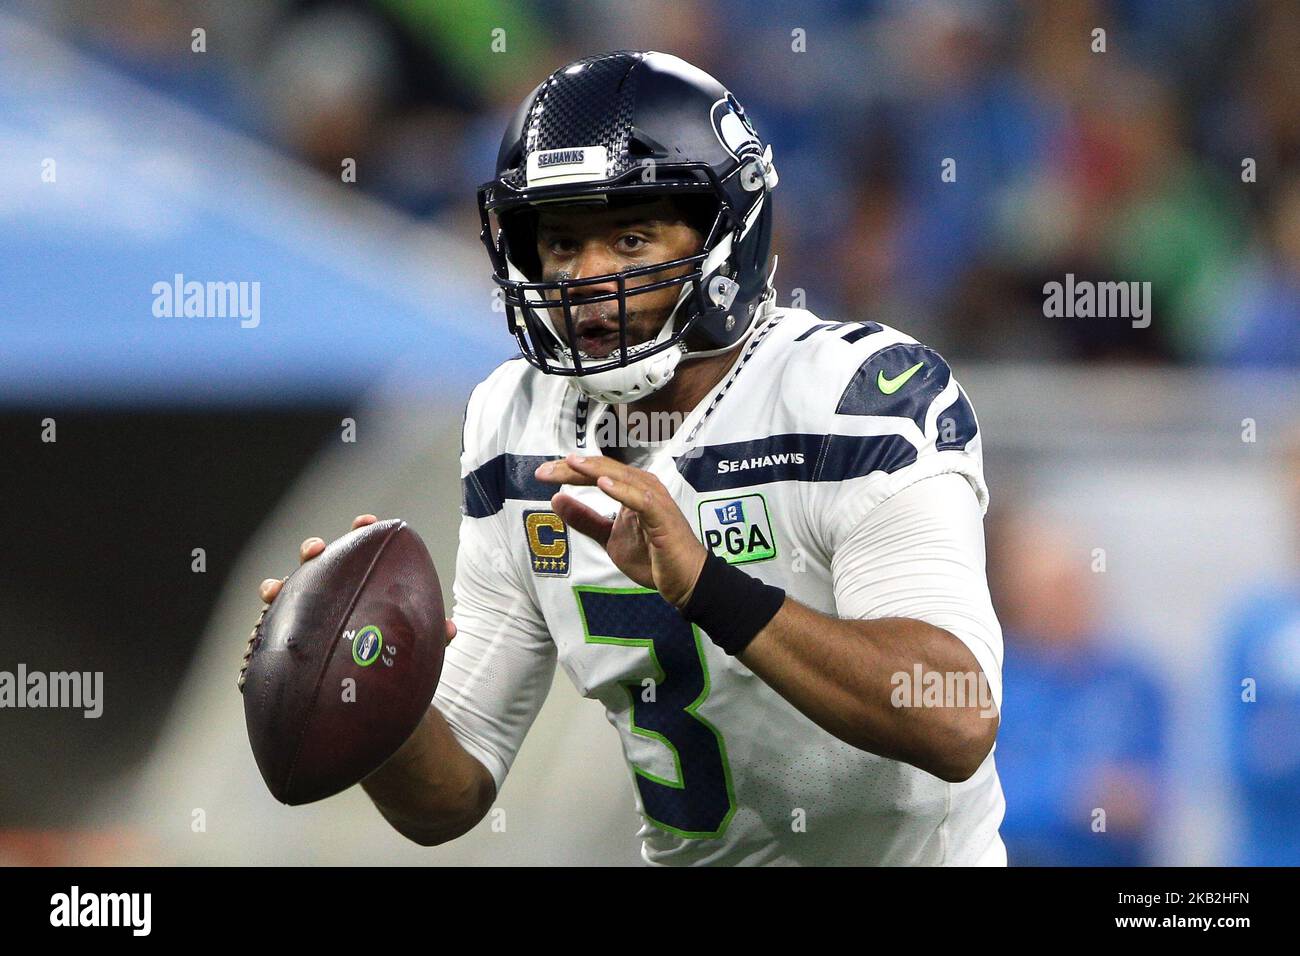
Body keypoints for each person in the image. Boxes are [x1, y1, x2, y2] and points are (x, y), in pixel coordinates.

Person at [255, 51, 1006, 865]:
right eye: (564, 243)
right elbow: (452, 793)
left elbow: (956, 717)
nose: (586, 278)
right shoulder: (515, 424)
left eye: (633, 238)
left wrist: (707, 587)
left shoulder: (855, 397)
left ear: (729, 236)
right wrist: (369, 693)